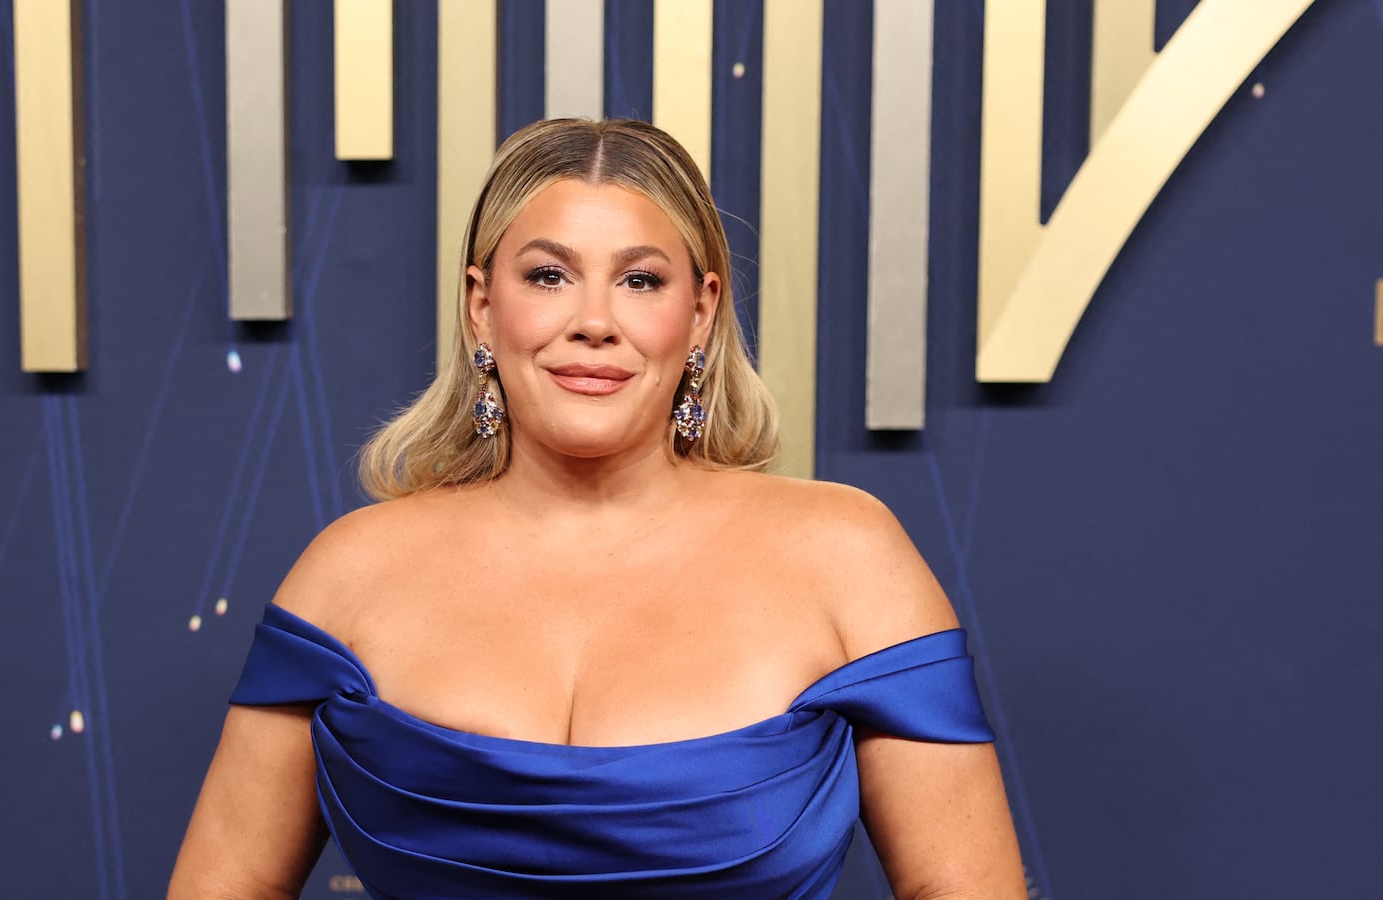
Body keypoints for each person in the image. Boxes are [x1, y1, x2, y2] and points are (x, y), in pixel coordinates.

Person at [170, 118, 1026, 899]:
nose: (594, 322)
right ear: (481, 306)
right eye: (548, 275)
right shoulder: (347, 574)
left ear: (701, 312)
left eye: (640, 281)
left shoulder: (848, 557)